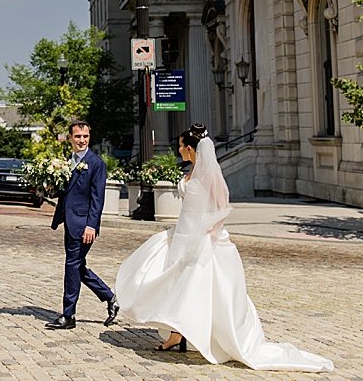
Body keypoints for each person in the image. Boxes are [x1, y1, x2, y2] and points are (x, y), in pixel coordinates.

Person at [114, 124, 334, 372]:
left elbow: (222, 205)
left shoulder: (209, 175)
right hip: (183, 235)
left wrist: (208, 233)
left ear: (189, 148)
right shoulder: (192, 171)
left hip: (202, 239)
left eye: (180, 147)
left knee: (196, 288)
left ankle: (196, 333)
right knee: (172, 280)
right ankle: (178, 332)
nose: (178, 150)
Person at [45, 120, 119, 330]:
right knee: (78, 266)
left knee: (72, 265)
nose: (82, 140)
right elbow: (65, 190)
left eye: (85, 136)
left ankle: (69, 315)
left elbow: (98, 198)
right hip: (69, 221)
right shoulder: (67, 162)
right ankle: (110, 298)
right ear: (70, 138)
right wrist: (51, 187)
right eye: (77, 136)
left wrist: (91, 226)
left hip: (84, 225)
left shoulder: (96, 164)